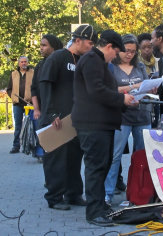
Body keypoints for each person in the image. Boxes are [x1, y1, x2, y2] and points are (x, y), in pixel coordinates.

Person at [72, 30, 133, 227]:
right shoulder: (92, 59)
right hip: (92, 124)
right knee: (96, 167)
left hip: (101, 123)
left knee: (102, 166)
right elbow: (96, 91)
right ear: (109, 47)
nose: (115, 57)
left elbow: (103, 90)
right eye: (115, 53)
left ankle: (99, 206)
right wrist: (121, 98)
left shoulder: (98, 61)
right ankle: (94, 211)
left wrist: (123, 99)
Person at [39, 25, 98, 211]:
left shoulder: (83, 60)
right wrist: (51, 113)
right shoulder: (57, 57)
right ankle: (54, 197)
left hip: (76, 120)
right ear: (78, 40)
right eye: (89, 43)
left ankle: (73, 194)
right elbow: (45, 85)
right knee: (56, 160)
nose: (91, 47)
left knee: (74, 158)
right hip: (57, 119)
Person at [104, 34, 152, 205]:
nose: (129, 54)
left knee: (140, 156)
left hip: (142, 116)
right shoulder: (112, 68)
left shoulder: (140, 67)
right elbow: (110, 90)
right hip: (121, 117)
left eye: (133, 51)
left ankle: (137, 193)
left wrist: (150, 90)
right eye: (126, 50)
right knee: (115, 155)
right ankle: (107, 193)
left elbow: (146, 87)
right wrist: (133, 86)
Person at [30, 35, 63, 161]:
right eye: (40, 45)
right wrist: (37, 109)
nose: (41, 48)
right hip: (44, 113)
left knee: (59, 150)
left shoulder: (60, 63)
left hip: (58, 113)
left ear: (53, 47)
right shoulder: (40, 65)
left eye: (44, 45)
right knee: (47, 148)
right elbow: (34, 88)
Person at [6, 56, 34, 154]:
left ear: (27, 63)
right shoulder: (14, 74)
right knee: (18, 126)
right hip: (17, 104)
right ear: (19, 63)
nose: (23, 63)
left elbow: (36, 87)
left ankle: (31, 146)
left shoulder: (32, 73)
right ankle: (16, 146)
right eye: (21, 62)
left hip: (29, 104)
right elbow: (9, 89)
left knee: (31, 125)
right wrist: (13, 97)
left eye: (25, 62)